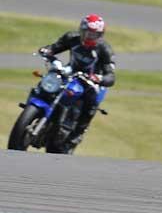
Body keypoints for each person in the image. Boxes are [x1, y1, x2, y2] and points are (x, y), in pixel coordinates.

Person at [38, 13, 116, 145]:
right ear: (81, 30)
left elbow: (111, 76)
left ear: (100, 35)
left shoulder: (104, 49)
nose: (90, 36)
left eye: (94, 34)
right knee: (49, 81)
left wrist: (99, 78)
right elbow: (55, 47)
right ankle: (37, 106)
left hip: (92, 80)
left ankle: (78, 133)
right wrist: (47, 50)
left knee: (92, 100)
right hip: (71, 73)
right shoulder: (72, 38)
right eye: (87, 33)